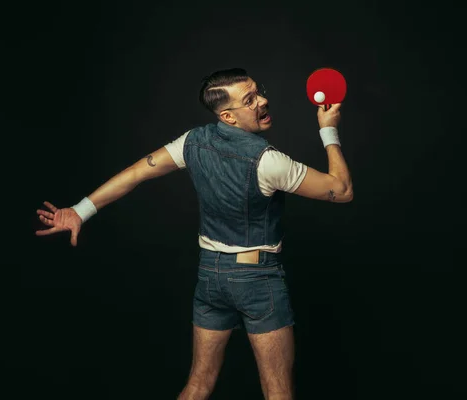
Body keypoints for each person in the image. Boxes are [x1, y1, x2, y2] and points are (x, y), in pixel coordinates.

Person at [35, 67, 353, 400]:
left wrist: (80, 210)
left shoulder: (192, 142)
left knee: (198, 384)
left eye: (258, 91)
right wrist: (329, 130)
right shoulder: (269, 162)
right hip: (257, 279)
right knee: (278, 391)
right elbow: (342, 190)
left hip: (210, 277)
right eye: (251, 99)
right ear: (228, 116)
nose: (263, 100)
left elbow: (134, 174)